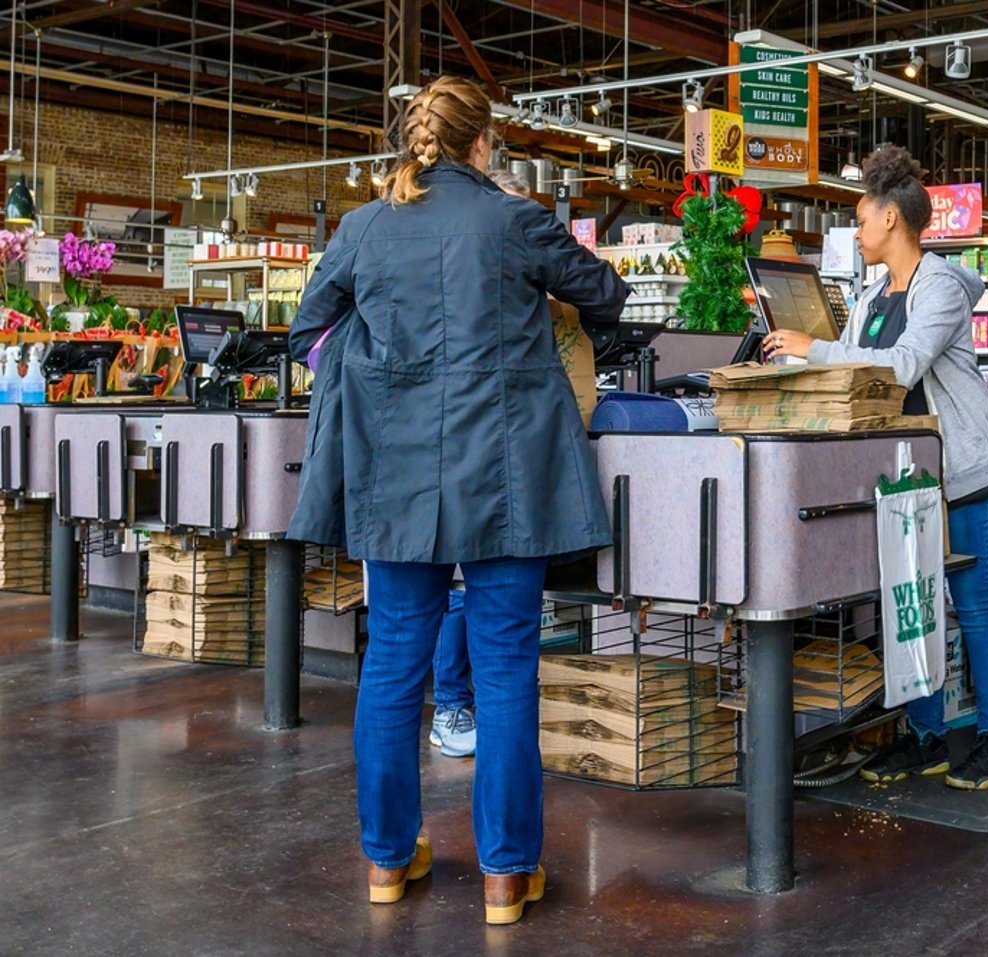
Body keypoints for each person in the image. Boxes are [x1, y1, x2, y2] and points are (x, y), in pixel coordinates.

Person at [287, 75, 628, 921]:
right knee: (507, 667)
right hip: (507, 483)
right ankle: (507, 875)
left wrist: (373, 381)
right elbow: (609, 296)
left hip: (394, 483)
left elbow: (306, 336)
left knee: (394, 667)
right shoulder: (514, 220)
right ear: (485, 144)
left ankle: (386, 859)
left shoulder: (364, 229)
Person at [761, 144, 988, 792]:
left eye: (860, 216)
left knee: (975, 602)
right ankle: (926, 735)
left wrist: (813, 348)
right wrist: (800, 353)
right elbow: (852, 355)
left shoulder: (941, 290)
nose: (856, 230)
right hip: (907, 476)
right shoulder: (876, 292)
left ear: (890, 221)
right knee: (917, 605)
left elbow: (901, 365)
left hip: (961, 470)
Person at [427, 166, 535, 760]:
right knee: (480, 622)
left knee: (431, 619)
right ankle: (450, 705)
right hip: (482, 454)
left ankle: (387, 851)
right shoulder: (482, 244)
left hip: (449, 454)